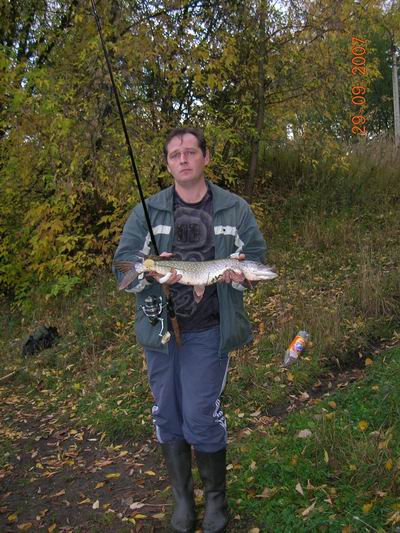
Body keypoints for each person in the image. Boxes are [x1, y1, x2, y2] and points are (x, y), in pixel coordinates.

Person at [113, 127, 267, 533]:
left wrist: (241, 275)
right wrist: (149, 270)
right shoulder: (148, 211)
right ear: (168, 163)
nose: (182, 159)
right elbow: (123, 265)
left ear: (205, 157)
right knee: (168, 413)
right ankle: (184, 499)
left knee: (199, 413)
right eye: (174, 154)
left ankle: (216, 498)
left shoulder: (236, 209)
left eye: (190, 152)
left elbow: (256, 257)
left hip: (210, 328)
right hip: (162, 329)